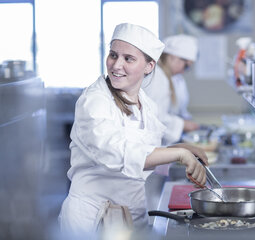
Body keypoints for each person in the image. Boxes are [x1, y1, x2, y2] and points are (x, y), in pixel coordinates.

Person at [58, 23, 208, 237]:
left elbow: (144, 152)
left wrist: (180, 148)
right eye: (113, 55)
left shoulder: (145, 104)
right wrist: (179, 154)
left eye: (128, 58)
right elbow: (116, 152)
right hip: (94, 218)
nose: (116, 65)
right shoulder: (95, 100)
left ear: (149, 66)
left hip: (131, 213)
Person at [143, 34, 200, 145]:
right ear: (172, 57)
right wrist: (182, 124)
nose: (185, 71)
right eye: (186, 66)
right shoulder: (157, 78)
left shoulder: (167, 77)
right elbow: (154, 117)